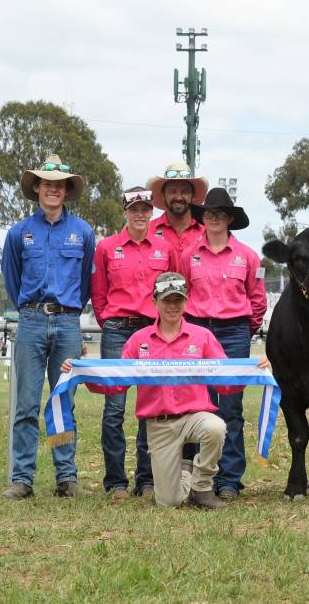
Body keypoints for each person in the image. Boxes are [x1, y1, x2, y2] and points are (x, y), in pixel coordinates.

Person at [65, 272, 271, 509]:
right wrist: (79, 372)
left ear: (186, 302)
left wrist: (253, 370)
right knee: (169, 501)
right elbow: (117, 383)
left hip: (195, 417)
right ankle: (185, 473)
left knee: (216, 427)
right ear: (155, 302)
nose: (172, 306)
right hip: (159, 425)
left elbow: (224, 382)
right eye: (166, 300)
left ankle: (202, 487)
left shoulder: (202, 337)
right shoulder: (139, 340)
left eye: (178, 300)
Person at [0, 154, 96, 500]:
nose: (53, 190)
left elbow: (86, 284)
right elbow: (12, 279)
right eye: (47, 184)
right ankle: (22, 478)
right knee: (25, 404)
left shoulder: (83, 233)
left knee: (62, 403)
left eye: (59, 185)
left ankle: (66, 477)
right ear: (37, 188)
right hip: (30, 322)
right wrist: (31, 310)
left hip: (68, 323)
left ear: (66, 190)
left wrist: (68, 312)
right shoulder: (19, 233)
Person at [89, 186, 174, 500]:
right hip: (117, 330)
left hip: (152, 332)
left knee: (150, 408)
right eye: (134, 208)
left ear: (152, 213)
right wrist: (110, 322)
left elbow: (174, 288)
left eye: (145, 209)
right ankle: (115, 482)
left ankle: (147, 480)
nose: (140, 215)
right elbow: (98, 294)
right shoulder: (107, 248)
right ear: (124, 211)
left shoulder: (164, 249)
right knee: (114, 408)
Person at [182, 187, 268, 499]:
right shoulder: (188, 255)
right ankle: (195, 474)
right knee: (195, 402)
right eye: (208, 213)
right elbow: (182, 293)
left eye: (220, 213)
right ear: (202, 218)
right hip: (197, 332)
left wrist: (244, 329)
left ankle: (229, 479)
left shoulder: (247, 256)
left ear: (230, 219)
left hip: (234, 334)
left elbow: (257, 300)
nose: (214, 218)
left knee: (230, 406)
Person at [147, 161, 208, 275]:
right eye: (172, 191)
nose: (179, 197)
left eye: (185, 191)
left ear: (193, 196)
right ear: (163, 195)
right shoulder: (147, 231)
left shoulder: (208, 231)